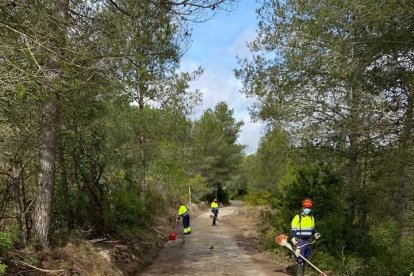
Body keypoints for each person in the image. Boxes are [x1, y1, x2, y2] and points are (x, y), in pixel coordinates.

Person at [290, 198, 321, 276]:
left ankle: (302, 273)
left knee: (305, 260)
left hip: (308, 241)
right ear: (302, 208)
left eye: (309, 208)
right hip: (300, 241)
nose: (307, 209)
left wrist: (316, 233)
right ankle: (299, 274)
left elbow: (312, 229)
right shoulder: (298, 217)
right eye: (306, 207)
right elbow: (293, 229)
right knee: (299, 259)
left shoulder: (311, 218)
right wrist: (293, 238)